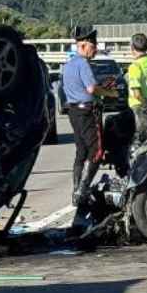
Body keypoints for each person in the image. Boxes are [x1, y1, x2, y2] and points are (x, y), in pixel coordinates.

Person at [62, 28, 102, 200]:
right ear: (84, 45)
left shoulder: (68, 65)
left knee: (81, 151)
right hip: (86, 111)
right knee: (96, 151)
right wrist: (109, 93)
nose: (96, 48)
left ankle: (76, 190)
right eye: (94, 45)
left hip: (73, 111)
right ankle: (82, 190)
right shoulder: (83, 63)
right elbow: (91, 88)